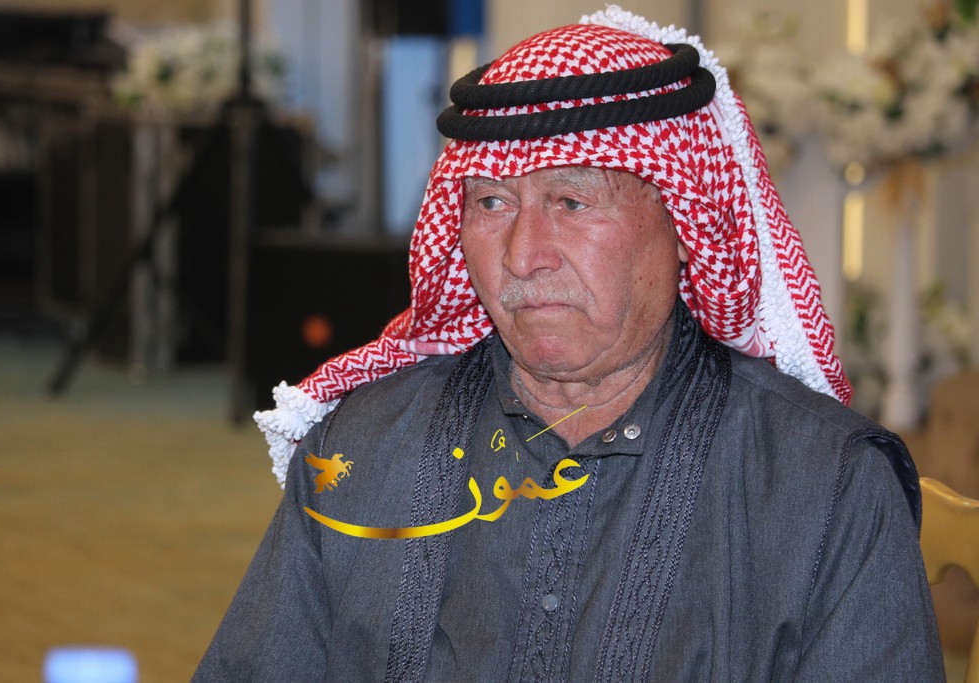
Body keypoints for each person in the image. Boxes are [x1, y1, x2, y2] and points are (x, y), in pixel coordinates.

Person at [193, 6, 944, 681]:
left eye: (573, 201)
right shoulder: (360, 446)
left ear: (682, 222)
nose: (523, 255)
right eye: (492, 202)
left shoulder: (825, 488)